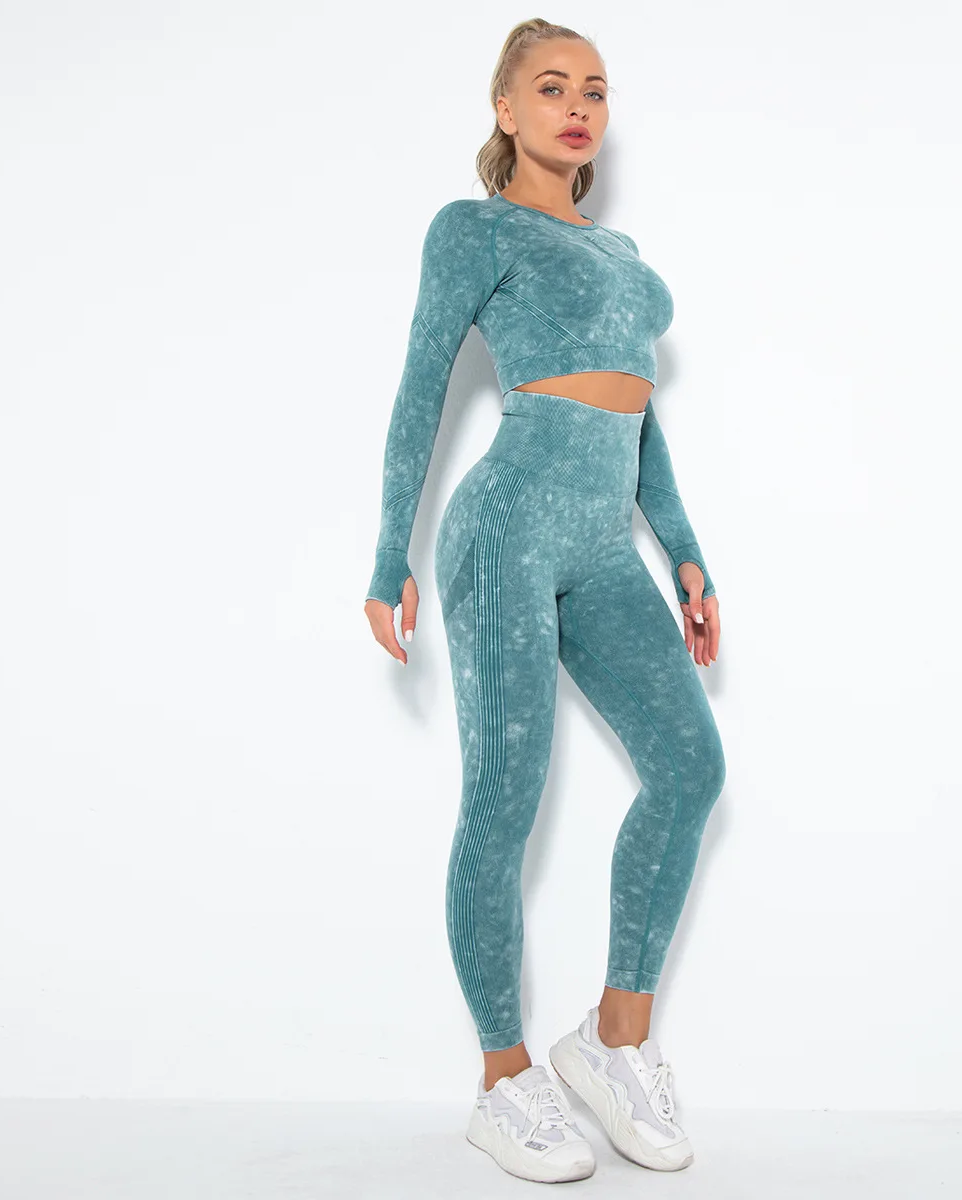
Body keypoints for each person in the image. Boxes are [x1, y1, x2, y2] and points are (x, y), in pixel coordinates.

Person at [363, 18, 726, 1184]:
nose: (578, 108)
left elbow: (638, 418)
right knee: (505, 801)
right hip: (506, 528)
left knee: (690, 768)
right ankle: (503, 1079)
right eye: (553, 88)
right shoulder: (473, 229)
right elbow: (421, 387)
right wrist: (390, 550)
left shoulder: (621, 255)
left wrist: (684, 553)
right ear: (506, 110)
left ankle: (613, 1041)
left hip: (604, 542)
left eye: (596, 91)